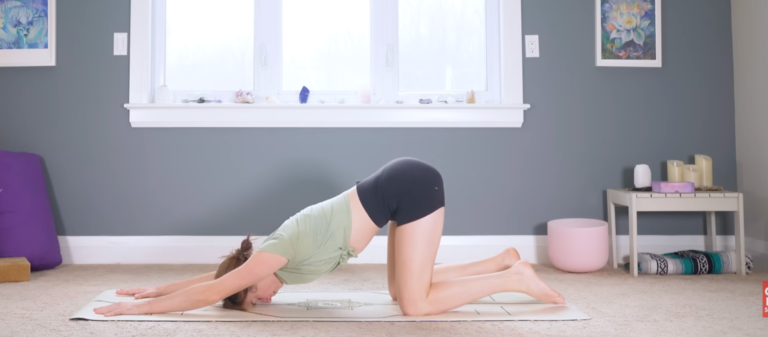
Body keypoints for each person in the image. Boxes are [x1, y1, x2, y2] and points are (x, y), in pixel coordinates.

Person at [95, 158, 564, 317]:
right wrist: (157, 288)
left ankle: (515, 279)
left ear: (250, 279)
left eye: (255, 297)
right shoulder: (264, 263)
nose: (266, 300)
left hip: (411, 186)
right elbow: (218, 280)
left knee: (414, 305)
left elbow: (212, 291)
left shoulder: (272, 256)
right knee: (401, 290)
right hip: (397, 191)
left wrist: (138, 311)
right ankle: (500, 260)